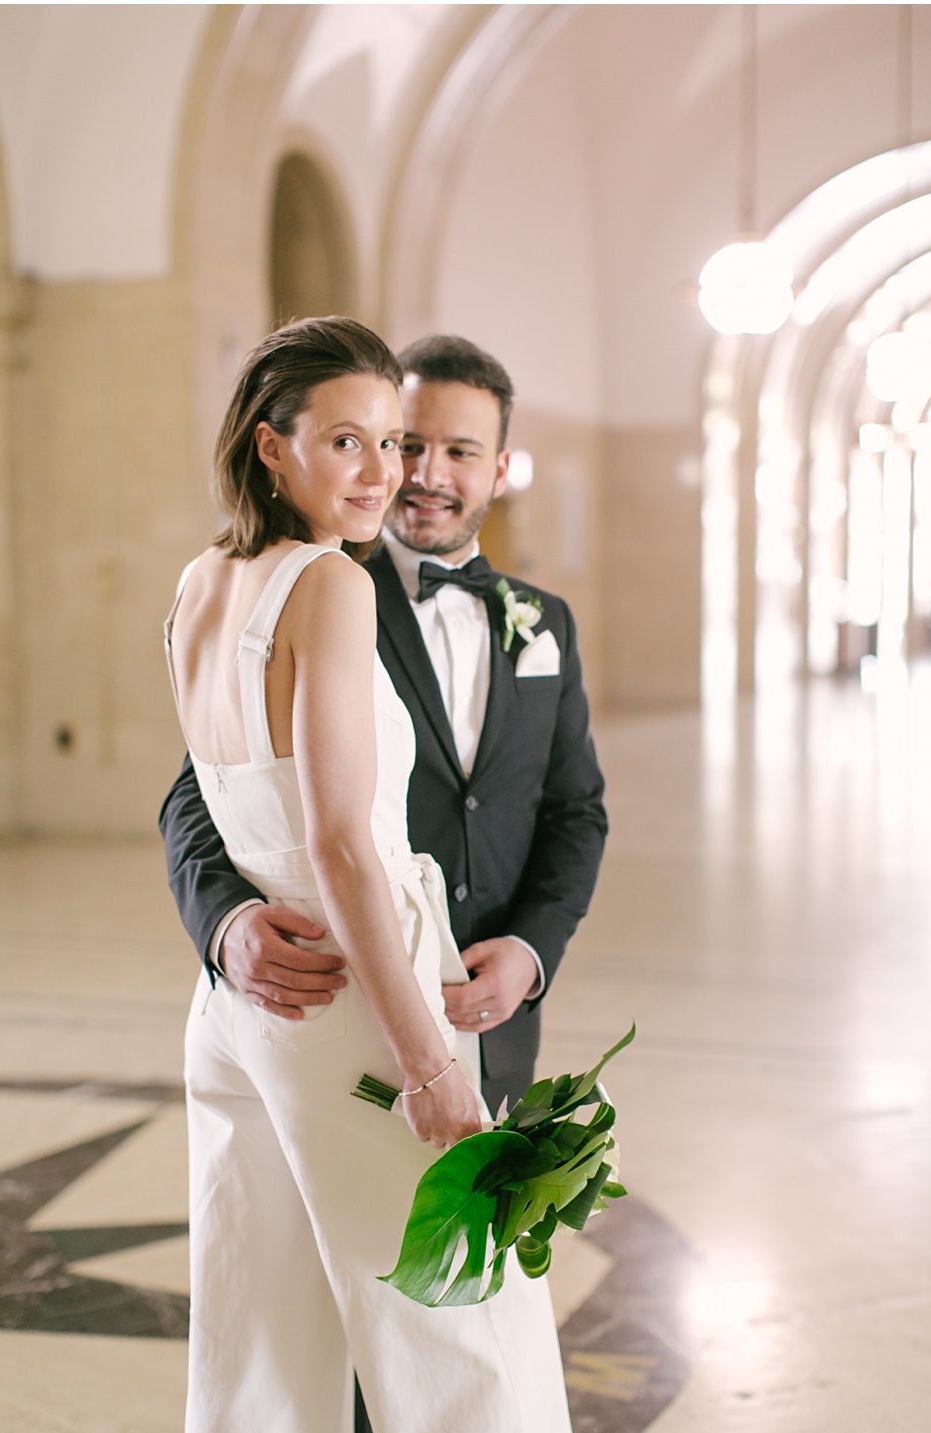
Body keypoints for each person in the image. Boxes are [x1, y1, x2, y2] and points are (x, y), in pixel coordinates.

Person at [159, 316, 579, 1433]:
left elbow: (234, 793)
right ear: (270, 447)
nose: (385, 474)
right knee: (466, 1336)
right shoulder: (331, 587)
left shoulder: (202, 581)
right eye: (346, 441)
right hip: (356, 983)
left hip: (242, 1016)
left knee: (257, 1335)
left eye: (390, 443)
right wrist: (435, 1070)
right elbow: (343, 847)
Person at [161, 333, 608, 1121]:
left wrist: (532, 952)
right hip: (356, 998)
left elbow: (576, 809)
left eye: (460, 451)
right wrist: (225, 923)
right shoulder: (316, 583)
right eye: (412, 441)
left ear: (500, 470)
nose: (425, 473)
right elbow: (203, 789)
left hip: (490, 1015)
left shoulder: (547, 624)